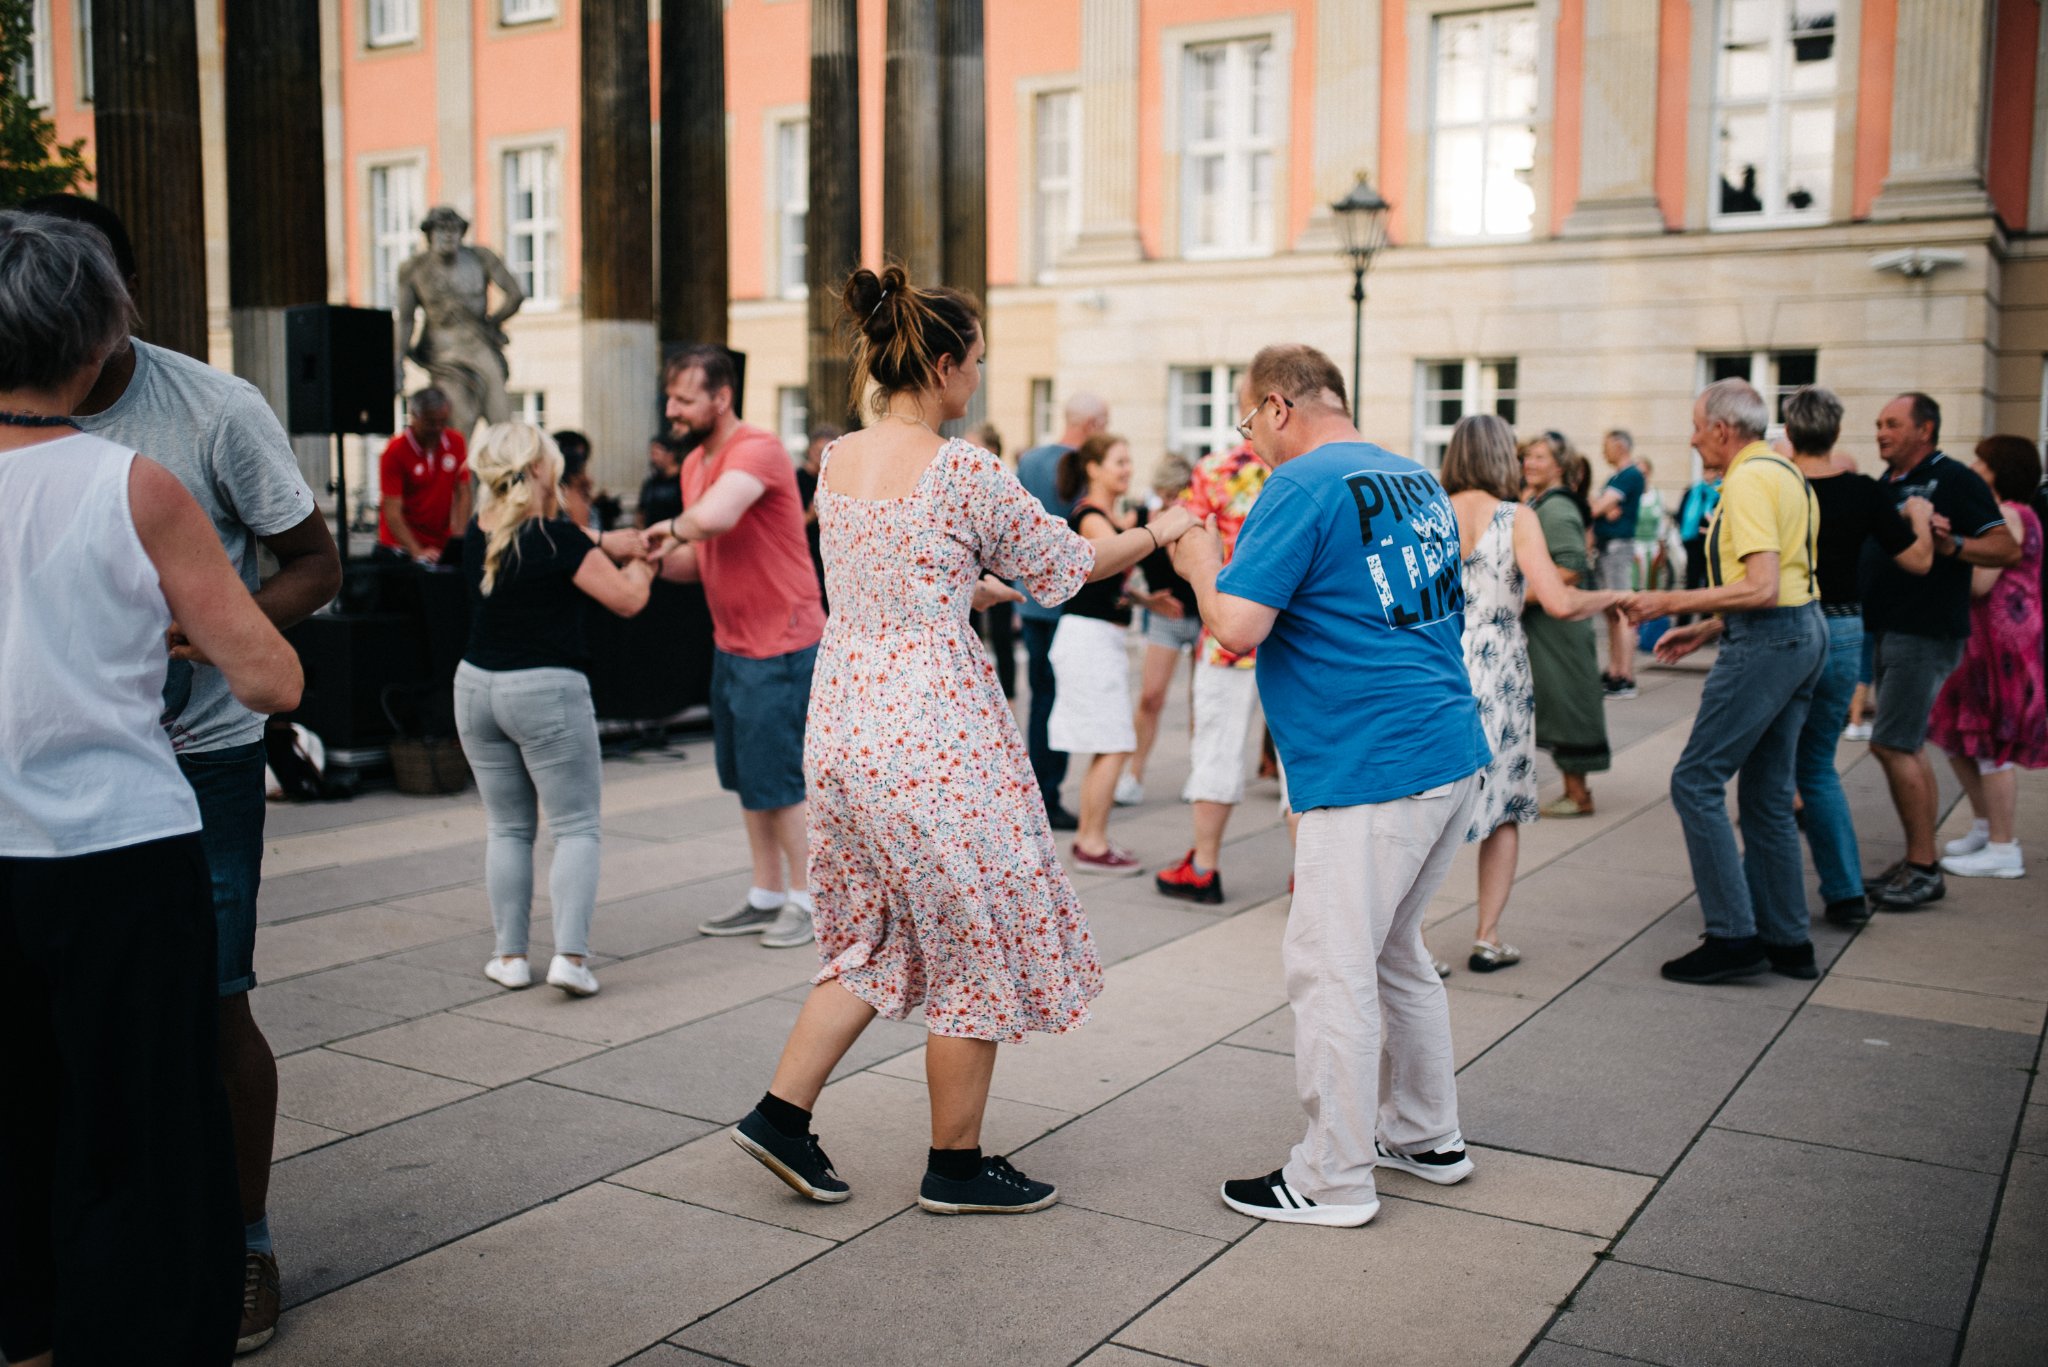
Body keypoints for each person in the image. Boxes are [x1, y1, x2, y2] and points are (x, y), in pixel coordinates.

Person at [728, 265, 1192, 1216]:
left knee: (870, 938)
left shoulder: (838, 457)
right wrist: (1159, 531)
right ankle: (956, 1164)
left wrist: (962, 581)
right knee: (973, 940)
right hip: (931, 730)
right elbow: (1067, 566)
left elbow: (887, 567)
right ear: (941, 365)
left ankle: (781, 1115)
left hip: (846, 723)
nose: (976, 379)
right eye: (974, 363)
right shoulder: (964, 468)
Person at [32, 191, 342, 1357]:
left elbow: (312, 562)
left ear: (116, 300)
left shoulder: (210, 407)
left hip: (194, 760)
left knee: (214, 997)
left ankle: (245, 1239)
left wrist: (222, 624)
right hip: (43, 762)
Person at [1170, 344, 1490, 1226]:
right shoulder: (1413, 475)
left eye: (1246, 422)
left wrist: (1199, 555)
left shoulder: (1300, 484)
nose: (1250, 443)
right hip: (1445, 747)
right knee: (1396, 953)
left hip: (1370, 765)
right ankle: (1426, 1133)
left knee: (1332, 967)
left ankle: (1332, 1176)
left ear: (1278, 407)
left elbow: (1235, 625)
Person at [1626, 379, 1826, 984]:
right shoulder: (1786, 472)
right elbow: (1784, 581)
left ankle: (1734, 936)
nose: (1691, 438)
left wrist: (1670, 602)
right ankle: (1789, 942)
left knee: (1695, 782)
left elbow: (1762, 586)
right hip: (1801, 633)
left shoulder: (1746, 480)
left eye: (1695, 426)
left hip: (1769, 641)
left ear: (1721, 428)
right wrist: (1708, 627)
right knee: (1767, 796)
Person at [458, 423, 657, 998]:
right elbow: (627, 599)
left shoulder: (479, 529)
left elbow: (546, 548)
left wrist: (598, 539)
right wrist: (647, 559)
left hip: (474, 688)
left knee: (508, 827)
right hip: (545, 692)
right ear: (543, 470)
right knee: (574, 828)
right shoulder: (557, 539)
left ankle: (511, 957)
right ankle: (570, 959)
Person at [646, 346, 827, 950]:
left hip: (781, 646)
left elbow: (713, 520)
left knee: (781, 783)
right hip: (735, 645)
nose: (671, 409)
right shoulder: (697, 460)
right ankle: (766, 894)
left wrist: (663, 531)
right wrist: (642, 562)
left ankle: (807, 902)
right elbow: (701, 557)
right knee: (752, 781)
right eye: (670, 397)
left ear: (721, 399)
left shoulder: (757, 448)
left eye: (684, 398)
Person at [1442, 416, 1618, 973]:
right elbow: (1559, 602)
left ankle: (1413, 944)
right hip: (1498, 667)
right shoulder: (1517, 517)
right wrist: (1617, 596)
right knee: (1504, 809)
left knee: (1427, 806)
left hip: (1440, 661)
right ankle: (1487, 937)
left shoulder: (1429, 515)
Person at [1779, 387, 1933, 927]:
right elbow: (1917, 560)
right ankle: (1844, 894)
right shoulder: (1865, 492)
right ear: (1837, 432)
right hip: (1844, 628)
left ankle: (1762, 895)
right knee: (1817, 767)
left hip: (1787, 627)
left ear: (1789, 433)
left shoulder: (1781, 486)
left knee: (1773, 768)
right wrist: (1918, 515)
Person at [1861, 393, 2021, 910]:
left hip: (1924, 629)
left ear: (1924, 430)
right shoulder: (1888, 484)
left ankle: (1925, 867)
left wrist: (1953, 547)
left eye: (1892, 424)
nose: (1881, 432)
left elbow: (2005, 548)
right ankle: (1918, 861)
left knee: (1892, 744)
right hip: (1890, 628)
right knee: (1904, 744)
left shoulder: (1953, 478)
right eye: (1879, 424)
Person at [1156, 375, 1273, 905]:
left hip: (1226, 633)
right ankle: (1304, 878)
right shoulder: (1302, 475)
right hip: (1294, 639)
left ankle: (1204, 866)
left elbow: (1184, 540)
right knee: (1300, 762)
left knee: (1217, 750)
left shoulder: (1213, 472)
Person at [1047, 433, 1170, 868]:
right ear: (1094, 468)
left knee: (1111, 742)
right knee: (1115, 742)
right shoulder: (1090, 515)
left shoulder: (1112, 516)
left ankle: (1092, 838)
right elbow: (1113, 555)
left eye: (1129, 460)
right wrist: (1155, 526)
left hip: (1101, 636)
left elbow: (1108, 581)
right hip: (1087, 639)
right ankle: (1091, 845)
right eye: (1118, 461)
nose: (1127, 468)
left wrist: (1145, 600)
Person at [1929, 437, 2047, 879]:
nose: (1974, 466)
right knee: (1957, 735)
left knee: (1991, 743)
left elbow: (1980, 585)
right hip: (1992, 639)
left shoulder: (2009, 516)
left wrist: (1948, 547)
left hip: (2000, 642)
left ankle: (2003, 847)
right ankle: (1987, 828)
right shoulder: (2017, 514)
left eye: (1982, 460)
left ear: (1999, 470)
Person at [1015, 394, 1110, 830]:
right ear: (1092, 423)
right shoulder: (1086, 466)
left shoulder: (1030, 460)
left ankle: (1035, 793)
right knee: (1061, 701)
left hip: (1031, 599)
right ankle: (1048, 796)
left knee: (1040, 699)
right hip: (1068, 603)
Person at [1520, 433, 1612, 817]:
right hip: (1551, 627)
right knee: (1559, 704)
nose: (1529, 463)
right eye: (1527, 456)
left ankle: (1578, 794)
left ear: (1559, 465)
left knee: (1567, 703)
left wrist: (1519, 594)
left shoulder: (1556, 509)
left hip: (1561, 628)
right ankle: (1575, 790)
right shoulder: (1540, 502)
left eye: (1540, 457)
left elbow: (1573, 566)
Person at [1123, 452, 1200, 805]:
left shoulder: (1194, 520)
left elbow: (1188, 568)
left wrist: (1175, 532)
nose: (1172, 502)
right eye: (1166, 494)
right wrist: (1144, 599)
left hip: (1202, 618)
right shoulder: (1138, 519)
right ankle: (1134, 775)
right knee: (1150, 697)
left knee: (1200, 701)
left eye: (1178, 494)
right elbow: (1113, 568)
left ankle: (1201, 775)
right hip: (1164, 621)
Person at [378, 387, 472, 563]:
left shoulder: (456, 442)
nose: (437, 428)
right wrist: (417, 551)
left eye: (442, 422)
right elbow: (392, 512)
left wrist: (458, 538)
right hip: (401, 548)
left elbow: (463, 492)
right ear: (414, 416)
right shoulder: (395, 451)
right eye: (430, 422)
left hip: (440, 545)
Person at [1588, 428, 1646, 697]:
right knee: (1612, 613)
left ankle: (1626, 676)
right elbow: (1602, 508)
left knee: (1623, 611)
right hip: (1607, 548)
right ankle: (1614, 671)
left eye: (1607, 445)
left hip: (1617, 548)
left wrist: (1602, 506)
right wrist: (1603, 507)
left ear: (1620, 446)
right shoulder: (1617, 477)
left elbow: (1597, 508)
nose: (1603, 450)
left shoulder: (1630, 475)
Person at [967, 421, 1018, 697]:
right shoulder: (963, 484)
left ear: (992, 450)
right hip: (969, 570)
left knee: (1001, 635)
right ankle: (973, 693)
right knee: (969, 633)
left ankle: (1007, 695)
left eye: (973, 447)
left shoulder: (1003, 484)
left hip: (996, 568)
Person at [796, 423, 842, 610]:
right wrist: (811, 514)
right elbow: (789, 526)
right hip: (807, 559)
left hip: (833, 558)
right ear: (809, 451)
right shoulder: (797, 479)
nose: (822, 458)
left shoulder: (838, 479)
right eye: (818, 452)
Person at [551, 429, 599, 531]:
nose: (589, 479)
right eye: (582, 467)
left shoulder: (555, 497)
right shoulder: (571, 497)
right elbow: (583, 539)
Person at [638, 432, 685, 529]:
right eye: (651, 454)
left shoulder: (683, 480)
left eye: (656, 454)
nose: (653, 458)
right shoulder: (650, 483)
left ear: (670, 455)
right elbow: (641, 513)